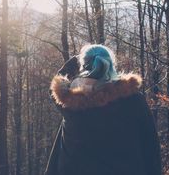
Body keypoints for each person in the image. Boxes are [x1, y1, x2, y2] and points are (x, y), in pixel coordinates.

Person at [45, 44, 161, 175]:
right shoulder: (133, 100)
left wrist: (75, 60)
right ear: (111, 66)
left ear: (82, 66)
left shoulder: (70, 104)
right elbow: (151, 146)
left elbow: (55, 88)